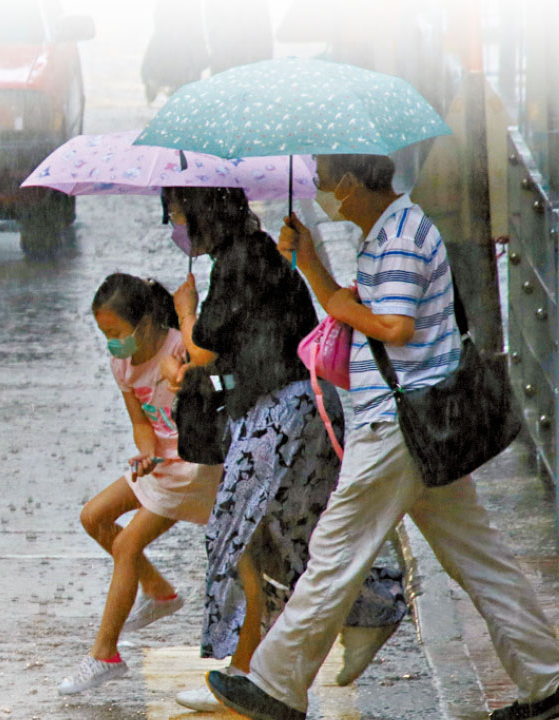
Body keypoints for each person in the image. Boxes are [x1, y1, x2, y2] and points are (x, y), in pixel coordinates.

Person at [206, 154, 559, 720]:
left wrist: (317, 274)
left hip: (397, 425)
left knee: (335, 554)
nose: (320, 191)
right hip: (416, 427)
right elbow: (382, 313)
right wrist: (325, 277)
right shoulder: (392, 231)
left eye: (324, 182)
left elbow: (394, 327)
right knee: (481, 558)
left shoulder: (398, 235)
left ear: (351, 183)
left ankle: (275, 685)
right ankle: (547, 684)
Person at [161, 186, 409, 713]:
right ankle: (255, 669)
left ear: (202, 214)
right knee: (289, 540)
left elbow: (205, 346)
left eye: (179, 215)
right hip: (298, 411)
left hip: (281, 417)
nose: (176, 227)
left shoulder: (238, 261)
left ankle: (264, 662)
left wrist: (184, 312)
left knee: (240, 539)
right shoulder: (251, 254)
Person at [57, 274, 223, 695]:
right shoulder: (122, 365)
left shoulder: (178, 346)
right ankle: (159, 591)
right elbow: (140, 422)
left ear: (146, 322)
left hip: (193, 465)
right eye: (104, 335)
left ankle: (104, 655)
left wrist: (187, 352)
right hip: (162, 463)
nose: (111, 343)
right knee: (93, 517)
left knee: (127, 545)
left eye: (115, 333)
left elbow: (212, 367)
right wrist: (145, 452)